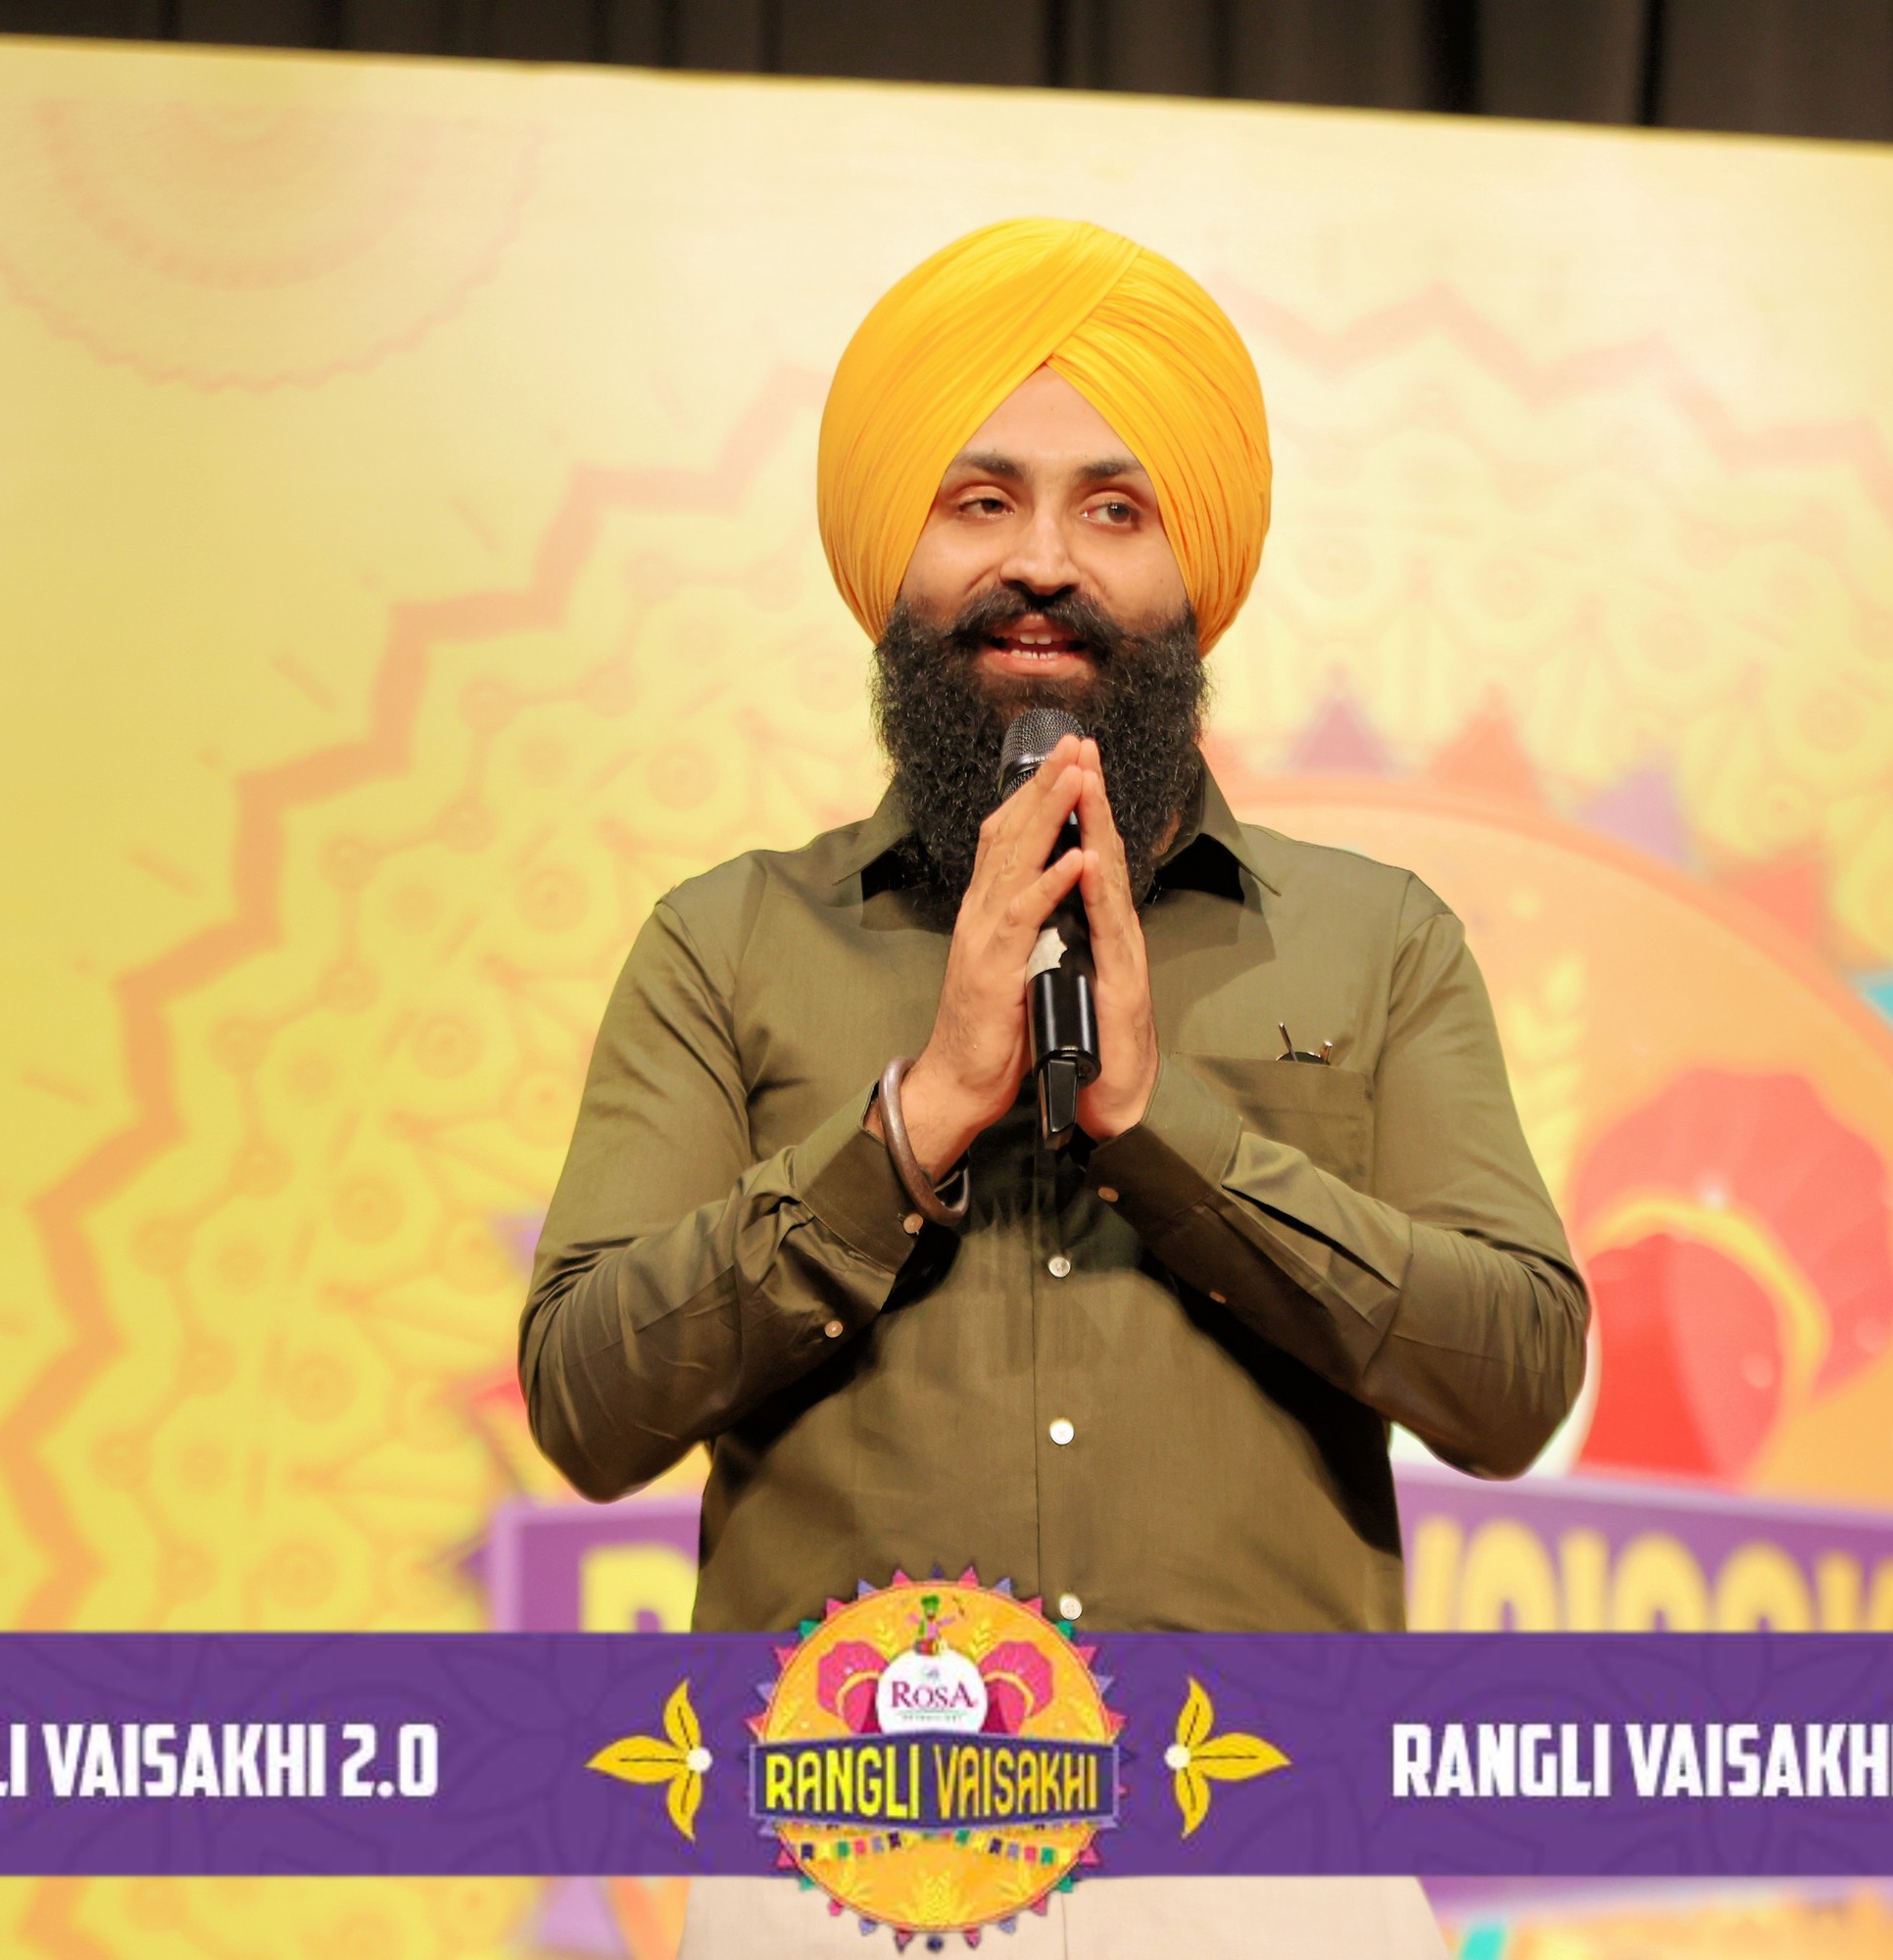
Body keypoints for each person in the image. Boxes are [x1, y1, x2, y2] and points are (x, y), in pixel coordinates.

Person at [525, 217, 1588, 1957]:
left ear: (1194, 574)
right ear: (896, 558)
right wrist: (911, 1124)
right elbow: (586, 1400)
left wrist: (1163, 1133)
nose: (1041, 563)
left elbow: (1517, 1379)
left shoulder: (1375, 939)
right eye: (979, 501)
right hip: (842, 1872)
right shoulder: (727, 943)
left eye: (1113, 509)